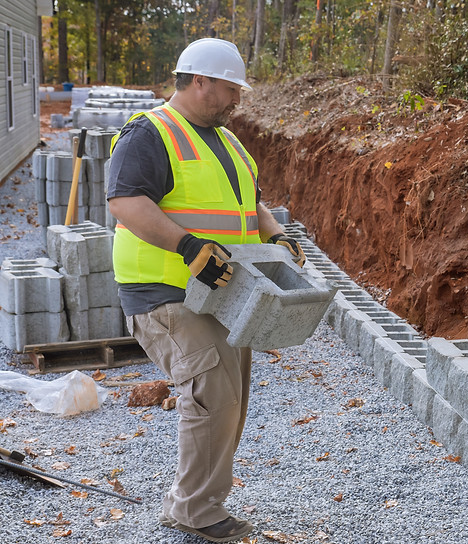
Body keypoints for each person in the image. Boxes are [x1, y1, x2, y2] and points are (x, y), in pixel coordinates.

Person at [106, 38, 305, 543]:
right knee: (212, 395)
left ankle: (195, 502)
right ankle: (195, 510)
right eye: (230, 88)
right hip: (166, 290)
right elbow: (125, 202)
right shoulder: (150, 133)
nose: (238, 99)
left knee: (229, 401)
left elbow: (249, 206)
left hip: (222, 293)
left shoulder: (228, 141)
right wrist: (187, 246)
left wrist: (275, 233)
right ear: (199, 81)